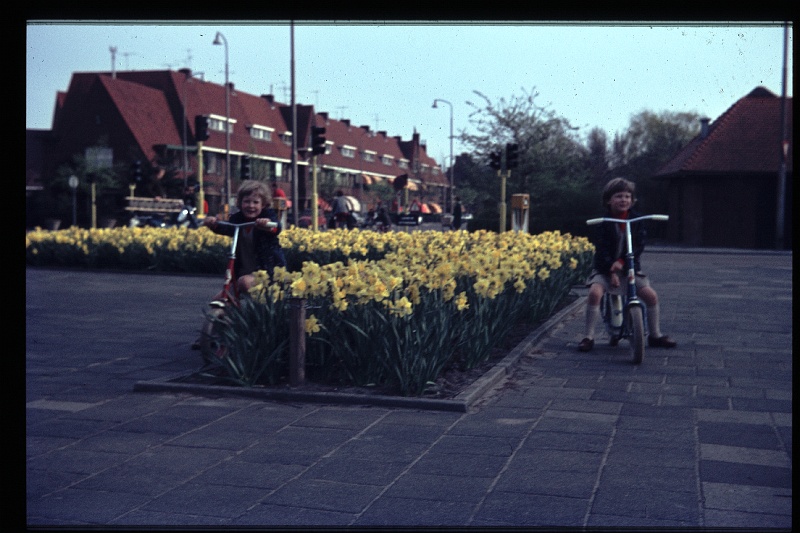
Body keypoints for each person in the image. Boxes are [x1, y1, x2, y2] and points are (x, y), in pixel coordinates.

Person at [579, 177, 676, 352]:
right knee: (595, 293)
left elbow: (638, 246)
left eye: (627, 196)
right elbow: (602, 250)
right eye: (618, 196)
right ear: (609, 200)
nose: (623, 200)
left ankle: (655, 335)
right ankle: (588, 336)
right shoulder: (604, 222)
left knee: (650, 295)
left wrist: (622, 263)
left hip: (629, 268)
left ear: (632, 200)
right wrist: (611, 271)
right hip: (605, 269)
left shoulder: (637, 220)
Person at [203, 180, 286, 298]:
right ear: (240, 203)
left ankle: (261, 310)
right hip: (242, 272)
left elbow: (276, 227)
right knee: (219, 302)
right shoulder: (238, 218)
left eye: (255, 202)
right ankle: (234, 314)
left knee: (244, 282)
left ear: (263, 205)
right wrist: (213, 224)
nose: (251, 206)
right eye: (246, 201)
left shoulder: (267, 215)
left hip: (267, 273)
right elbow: (227, 228)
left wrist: (267, 224)